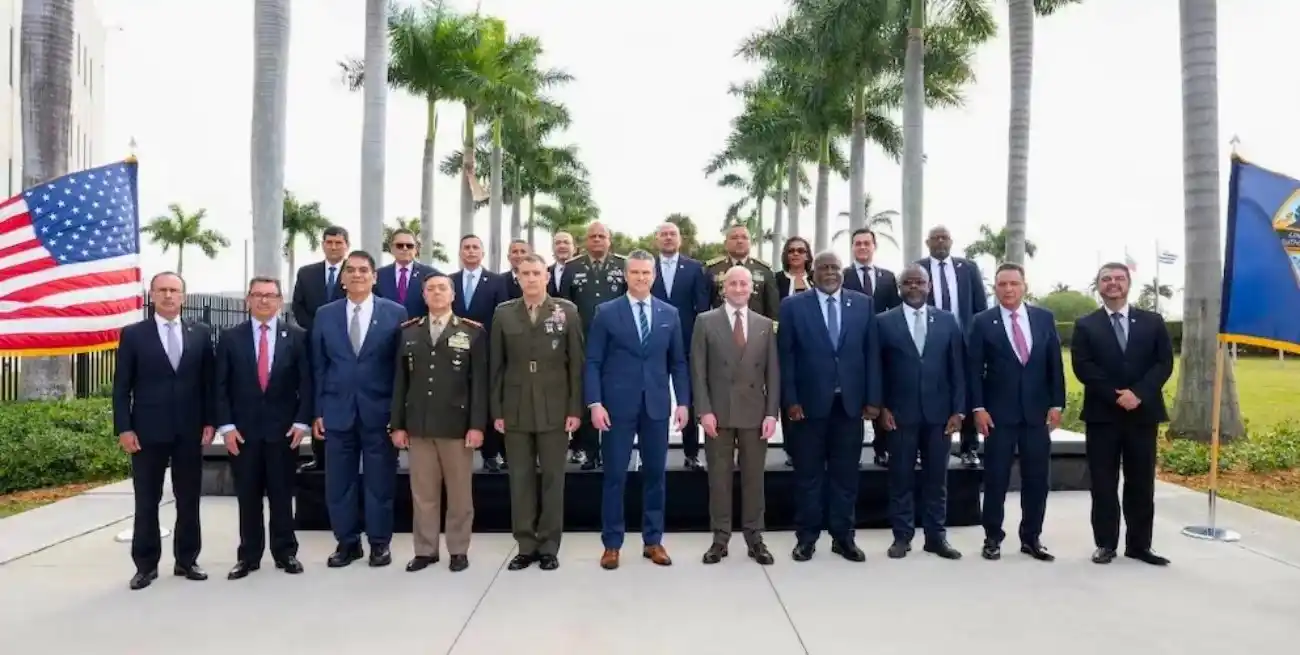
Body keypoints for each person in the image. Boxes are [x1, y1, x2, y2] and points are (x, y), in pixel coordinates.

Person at [585, 250, 689, 570]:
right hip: (616, 407)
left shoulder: (669, 314)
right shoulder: (606, 312)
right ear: (625, 275)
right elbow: (593, 361)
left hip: (656, 406)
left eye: (646, 273)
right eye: (635, 272)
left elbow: (678, 362)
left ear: (653, 276)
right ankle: (612, 544)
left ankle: (653, 541)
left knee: (655, 475)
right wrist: (595, 403)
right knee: (615, 476)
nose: (641, 278)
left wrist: (683, 402)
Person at [112, 272, 215, 590]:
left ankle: (187, 560)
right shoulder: (134, 335)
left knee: (189, 499)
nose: (168, 295)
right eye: (162, 290)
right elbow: (121, 387)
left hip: (189, 430)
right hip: (147, 432)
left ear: (183, 296)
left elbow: (208, 383)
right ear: (152, 295)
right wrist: (124, 428)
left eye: (174, 290)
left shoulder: (201, 333)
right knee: (147, 500)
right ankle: (145, 566)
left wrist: (210, 421)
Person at [777, 251, 881, 563]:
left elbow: (871, 354)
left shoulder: (863, 304)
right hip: (808, 408)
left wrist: (873, 399)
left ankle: (843, 537)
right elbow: (786, 357)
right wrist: (791, 400)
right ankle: (806, 539)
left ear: (842, 271)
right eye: (823, 267)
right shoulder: (793, 306)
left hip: (849, 407)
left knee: (845, 477)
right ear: (813, 272)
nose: (830, 272)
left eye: (835, 267)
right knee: (808, 477)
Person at [1071, 262, 1174, 566]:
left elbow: (1164, 363)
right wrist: (1117, 396)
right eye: (1106, 279)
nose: (1113, 283)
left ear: (1129, 284)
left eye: (1119, 278)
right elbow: (1083, 366)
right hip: (1103, 415)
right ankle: (1105, 543)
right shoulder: (1085, 325)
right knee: (1103, 483)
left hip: (1143, 414)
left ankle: (1140, 545)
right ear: (1098, 285)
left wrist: (1138, 394)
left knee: (1141, 483)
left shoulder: (1153, 322)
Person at [312, 250, 409, 568]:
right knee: (339, 483)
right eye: (351, 270)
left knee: (380, 482)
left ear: (374, 276)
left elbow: (400, 369)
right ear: (342, 278)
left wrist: (399, 415)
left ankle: (379, 543)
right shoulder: (325, 314)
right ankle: (347, 542)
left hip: (379, 412)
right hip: (337, 412)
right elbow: (318, 366)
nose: (357, 275)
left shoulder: (395, 312)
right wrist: (317, 411)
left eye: (363, 270)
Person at [214, 277, 312, 579]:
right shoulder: (231, 337)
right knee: (248, 497)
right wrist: (226, 427)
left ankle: (285, 553)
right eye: (257, 295)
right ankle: (249, 556)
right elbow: (220, 386)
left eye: (270, 295)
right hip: (243, 433)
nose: (264, 300)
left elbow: (307, 383)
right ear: (248, 300)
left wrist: (301, 421)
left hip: (284, 432)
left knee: (282, 496)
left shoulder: (297, 337)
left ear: (280, 301)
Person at [966, 262, 1065, 562]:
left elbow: (1054, 364)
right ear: (995, 288)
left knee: (1037, 480)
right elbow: (973, 369)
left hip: (1036, 415)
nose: (1008, 289)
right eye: (1002, 284)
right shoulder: (982, 321)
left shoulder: (1044, 318)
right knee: (996, 479)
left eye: (1014, 283)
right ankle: (992, 537)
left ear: (1024, 286)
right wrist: (978, 408)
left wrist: (1057, 403)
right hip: (998, 416)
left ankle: (1031, 537)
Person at [491, 254, 585, 571]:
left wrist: (574, 408)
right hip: (515, 406)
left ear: (547, 276)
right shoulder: (504, 313)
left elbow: (576, 364)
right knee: (520, 479)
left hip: (554, 406)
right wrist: (497, 410)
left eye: (536, 273)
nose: (531, 278)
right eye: (525, 273)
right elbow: (496, 366)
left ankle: (548, 546)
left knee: (553, 479)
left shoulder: (566, 311)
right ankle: (525, 545)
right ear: (517, 278)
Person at [390, 273, 487, 573]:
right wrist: (398, 424)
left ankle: (458, 550)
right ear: (423, 295)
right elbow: (400, 382)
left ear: (453, 295)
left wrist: (477, 425)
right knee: (423, 494)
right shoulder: (409, 332)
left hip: (456, 426)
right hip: (419, 425)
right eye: (430, 289)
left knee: (459, 495)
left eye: (442, 288)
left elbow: (479, 383)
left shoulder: (471, 332)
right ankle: (425, 550)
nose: (436, 293)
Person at [691, 266, 779, 565]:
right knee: (719, 479)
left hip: (755, 413)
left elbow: (773, 373)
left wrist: (771, 414)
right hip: (718, 412)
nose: (739, 288)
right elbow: (698, 371)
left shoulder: (764, 324)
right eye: (733, 284)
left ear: (752, 288)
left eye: (744, 283)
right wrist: (704, 410)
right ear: (723, 288)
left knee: (754, 479)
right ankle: (720, 539)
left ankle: (755, 538)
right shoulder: (705, 321)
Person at [875, 265, 963, 560]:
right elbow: (877, 368)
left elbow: (957, 369)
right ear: (899, 288)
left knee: (936, 480)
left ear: (929, 287)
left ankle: (936, 538)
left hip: (940, 416)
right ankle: (902, 537)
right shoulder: (883, 322)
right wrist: (882, 406)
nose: (914, 287)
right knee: (900, 478)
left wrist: (958, 410)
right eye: (907, 283)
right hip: (899, 415)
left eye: (919, 282)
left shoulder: (948, 321)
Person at [916, 225, 987, 468]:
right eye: (935, 238)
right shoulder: (918, 268)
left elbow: (980, 306)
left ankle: (969, 448)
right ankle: (922, 447)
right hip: (931, 340)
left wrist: (978, 337)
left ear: (951, 241)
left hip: (963, 340)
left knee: (966, 390)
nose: (940, 242)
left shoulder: (968, 268)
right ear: (927, 243)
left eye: (944, 237)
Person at [564, 222, 628, 470]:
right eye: (593, 236)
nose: (597, 240)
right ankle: (590, 452)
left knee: (614, 397)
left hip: (616, 343)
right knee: (589, 396)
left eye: (602, 236)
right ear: (586, 241)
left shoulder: (623, 265)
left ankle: (613, 453)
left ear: (609, 240)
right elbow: (565, 305)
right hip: (584, 341)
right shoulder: (572, 268)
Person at [651, 221, 710, 470]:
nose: (668, 238)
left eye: (672, 234)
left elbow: (702, 307)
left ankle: (691, 453)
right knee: (652, 398)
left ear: (680, 239)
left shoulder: (695, 268)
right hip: (652, 343)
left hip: (685, 342)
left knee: (688, 397)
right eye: (663, 234)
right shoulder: (646, 267)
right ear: (656, 239)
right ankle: (651, 454)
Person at [449, 234, 510, 472]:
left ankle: (491, 453)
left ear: (482, 253)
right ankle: (458, 452)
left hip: (486, 348)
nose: (471, 251)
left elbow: (501, 315)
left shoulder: (496, 281)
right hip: (454, 349)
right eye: (466, 247)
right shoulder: (450, 280)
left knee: (485, 398)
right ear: (460, 252)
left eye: (475, 247)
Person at [291, 225, 349, 471]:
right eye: (329, 242)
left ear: (346, 246)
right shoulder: (307, 273)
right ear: (323, 245)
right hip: (313, 343)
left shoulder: (355, 272)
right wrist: (318, 329)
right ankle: (319, 455)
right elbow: (298, 306)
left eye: (338, 243)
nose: (334, 247)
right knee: (316, 393)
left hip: (345, 345)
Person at [842, 228, 901, 467]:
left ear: (874, 246)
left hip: (882, 344)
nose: (863, 247)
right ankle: (851, 453)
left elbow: (895, 310)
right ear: (852, 247)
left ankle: (882, 448)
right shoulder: (843, 275)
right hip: (852, 345)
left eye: (867, 243)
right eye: (858, 243)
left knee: (881, 395)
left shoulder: (887, 277)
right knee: (853, 400)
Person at [774, 236, 813, 468]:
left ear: (808, 255)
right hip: (784, 345)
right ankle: (791, 449)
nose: (796, 254)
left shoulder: (816, 279)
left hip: (814, 349)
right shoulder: (776, 280)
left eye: (800, 250)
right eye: (791, 251)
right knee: (789, 396)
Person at [705, 225, 780, 319]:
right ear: (725, 243)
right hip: (720, 325)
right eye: (734, 238)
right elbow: (704, 306)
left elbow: (773, 308)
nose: (739, 241)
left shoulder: (765, 271)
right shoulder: (712, 270)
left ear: (750, 243)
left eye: (744, 237)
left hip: (755, 325)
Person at [374, 228, 441, 319]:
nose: (405, 248)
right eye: (400, 245)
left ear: (416, 249)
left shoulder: (431, 275)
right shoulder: (379, 275)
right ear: (392, 248)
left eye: (409, 246)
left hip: (419, 326)